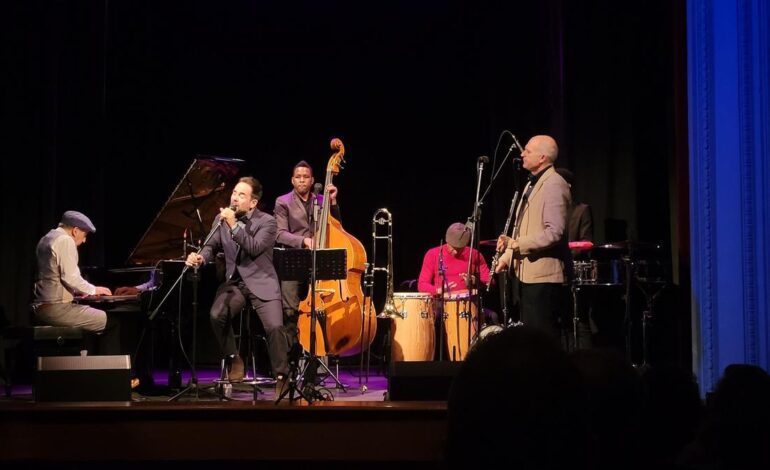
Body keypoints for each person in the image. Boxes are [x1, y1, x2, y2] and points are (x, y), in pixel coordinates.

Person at [185, 177, 290, 391]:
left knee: (276, 327)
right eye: (234, 192)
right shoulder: (220, 219)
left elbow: (253, 247)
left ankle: (282, 376)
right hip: (235, 282)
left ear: (253, 203)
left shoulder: (267, 221)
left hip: (262, 281)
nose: (235, 197)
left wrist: (233, 224)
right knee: (216, 315)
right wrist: (200, 257)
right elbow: (210, 246)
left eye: (242, 194)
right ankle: (234, 358)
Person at [496, 135, 571, 341]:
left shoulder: (555, 184)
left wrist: (517, 244)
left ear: (542, 158)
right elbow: (523, 229)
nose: (522, 154)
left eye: (528, 151)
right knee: (530, 338)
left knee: (542, 339)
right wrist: (508, 255)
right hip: (526, 275)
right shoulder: (531, 185)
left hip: (544, 278)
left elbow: (554, 232)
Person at [31, 210, 118, 354]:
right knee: (112, 322)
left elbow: (52, 275)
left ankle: (84, 368)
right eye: (85, 235)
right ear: (75, 231)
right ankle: (110, 374)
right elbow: (70, 278)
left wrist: (77, 291)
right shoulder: (65, 240)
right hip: (56, 310)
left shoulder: (46, 238)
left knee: (88, 324)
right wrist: (94, 290)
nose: (84, 240)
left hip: (41, 308)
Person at [273, 161, 338, 339]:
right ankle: (292, 355)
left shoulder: (321, 200)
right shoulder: (283, 201)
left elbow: (337, 226)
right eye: (298, 177)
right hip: (293, 261)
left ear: (312, 181)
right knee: (289, 310)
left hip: (319, 261)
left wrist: (332, 202)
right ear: (292, 180)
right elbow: (279, 234)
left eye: (306, 177)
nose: (302, 180)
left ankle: (318, 351)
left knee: (322, 308)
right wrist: (304, 241)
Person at [418, 222, 491, 296]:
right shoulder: (432, 254)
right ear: (447, 241)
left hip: (469, 304)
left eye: (460, 249)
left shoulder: (475, 254)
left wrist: (476, 281)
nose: (456, 252)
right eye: (453, 248)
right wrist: (437, 291)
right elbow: (422, 285)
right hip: (440, 303)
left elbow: (489, 282)